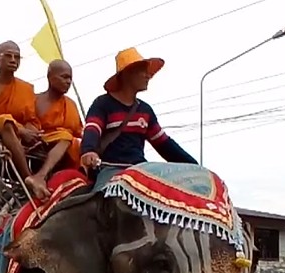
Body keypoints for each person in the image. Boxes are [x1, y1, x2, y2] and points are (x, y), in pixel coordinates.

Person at [78, 47, 196, 189]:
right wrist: (88, 150)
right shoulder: (102, 104)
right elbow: (92, 128)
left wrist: (195, 166)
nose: (148, 75)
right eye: (143, 71)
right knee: (103, 198)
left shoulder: (145, 111)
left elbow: (164, 144)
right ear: (127, 74)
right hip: (110, 169)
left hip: (141, 170)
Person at [0, 41, 44, 199]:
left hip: (18, 137)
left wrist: (29, 132)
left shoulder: (26, 88)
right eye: (8, 56)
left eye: (17, 57)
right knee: (4, 121)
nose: (13, 60)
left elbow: (32, 120)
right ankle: (28, 178)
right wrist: (19, 129)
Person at [27, 59, 84, 201]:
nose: (68, 82)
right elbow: (28, 123)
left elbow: (78, 130)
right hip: (40, 140)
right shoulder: (35, 100)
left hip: (68, 146)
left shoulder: (70, 104)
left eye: (70, 78)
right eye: (64, 77)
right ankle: (40, 176)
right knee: (66, 136)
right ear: (50, 77)